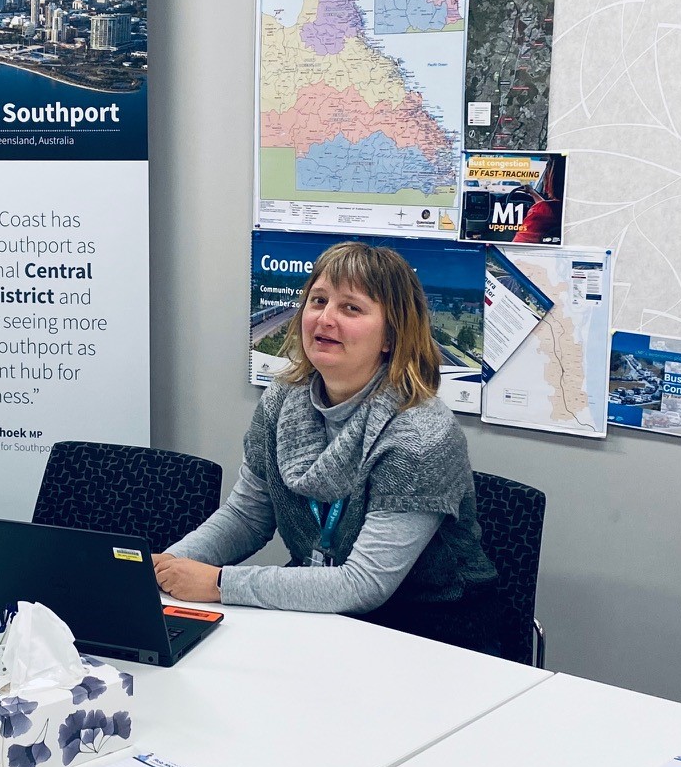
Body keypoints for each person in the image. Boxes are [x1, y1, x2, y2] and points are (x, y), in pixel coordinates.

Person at [153, 242, 500, 654]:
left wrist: (218, 583)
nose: (325, 318)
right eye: (318, 301)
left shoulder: (420, 435)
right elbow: (246, 517)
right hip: (319, 612)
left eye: (351, 308)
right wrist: (166, 567)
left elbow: (365, 583)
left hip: (428, 631)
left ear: (391, 335)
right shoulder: (281, 401)